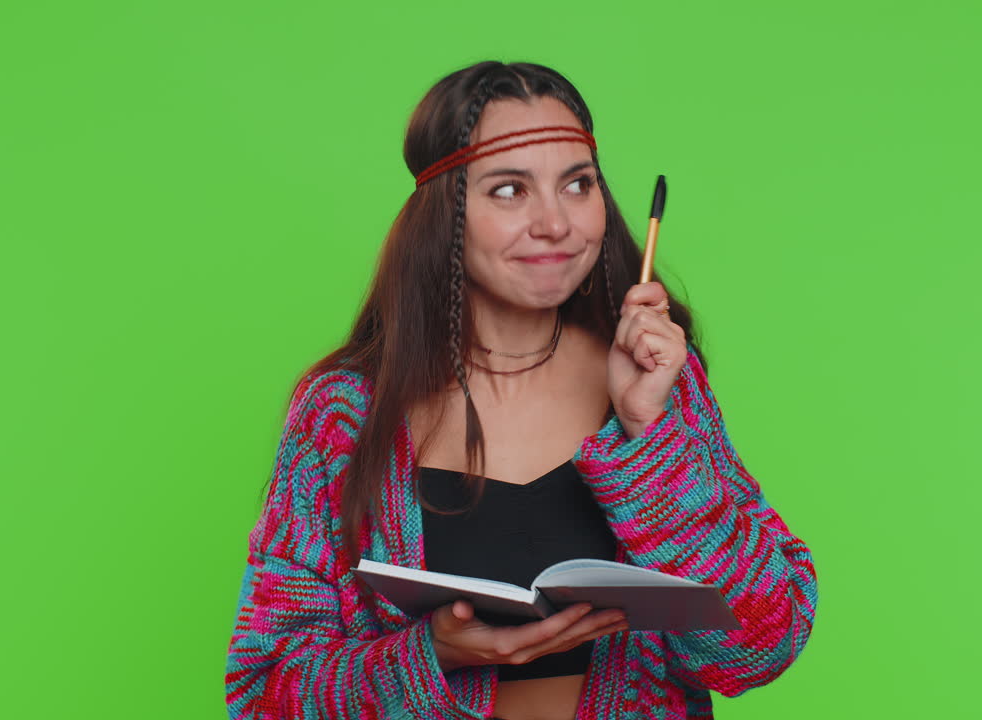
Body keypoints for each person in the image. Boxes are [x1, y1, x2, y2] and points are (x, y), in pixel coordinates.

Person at [225, 60, 818, 720]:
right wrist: (433, 656)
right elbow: (264, 696)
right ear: (444, 213)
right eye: (510, 190)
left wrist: (650, 439)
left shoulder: (660, 381)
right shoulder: (342, 413)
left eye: (577, 185)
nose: (556, 224)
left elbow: (763, 645)